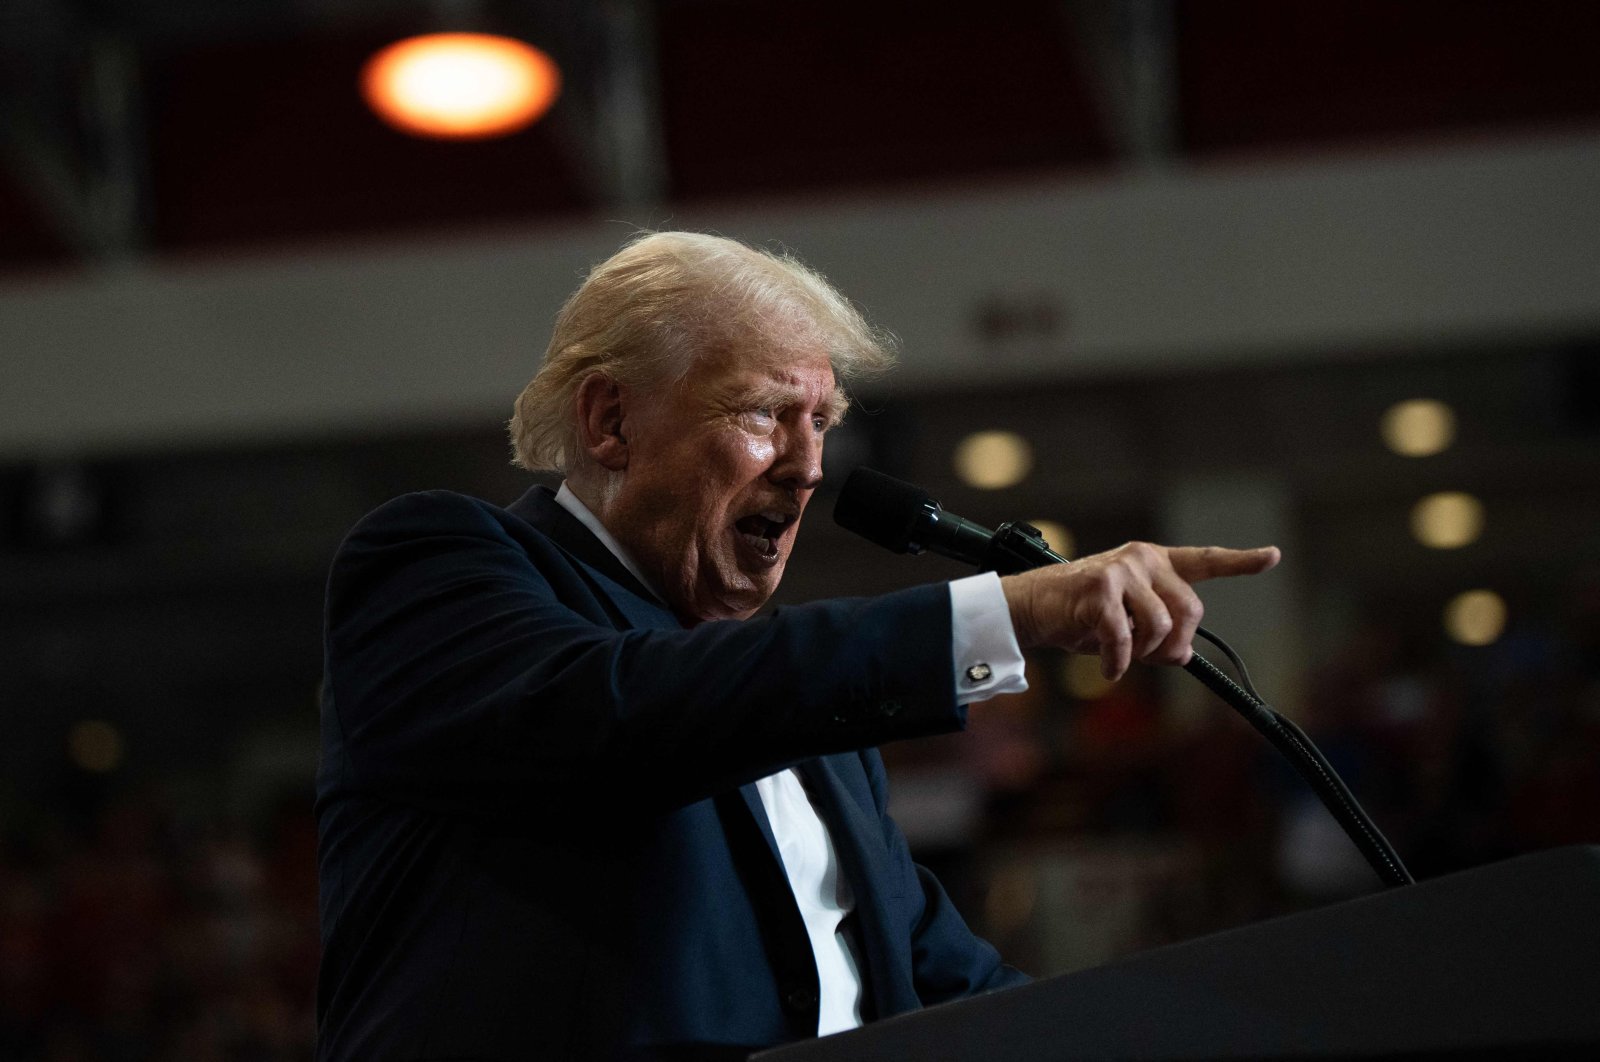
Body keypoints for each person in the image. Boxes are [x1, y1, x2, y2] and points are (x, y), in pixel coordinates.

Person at [313, 232, 1280, 1061]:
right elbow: (618, 710)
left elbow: (947, 983)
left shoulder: (814, 714)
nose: (811, 465)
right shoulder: (437, 566)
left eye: (820, 422)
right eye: (764, 413)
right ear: (611, 421)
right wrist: (1001, 614)